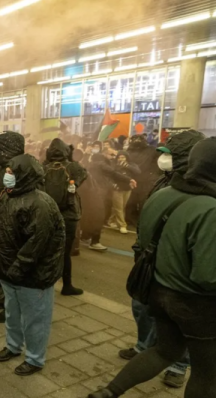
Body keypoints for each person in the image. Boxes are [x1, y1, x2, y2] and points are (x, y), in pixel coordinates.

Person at [89, 137, 216, 398]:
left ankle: (109, 392)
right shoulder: (211, 209)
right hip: (197, 306)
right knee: (206, 374)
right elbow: (207, 276)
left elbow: (144, 242)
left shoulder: (162, 194)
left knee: (163, 351)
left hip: (158, 292)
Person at [117, 129, 205, 389]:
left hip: (180, 271)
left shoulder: (202, 190)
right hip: (151, 264)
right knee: (142, 309)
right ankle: (145, 347)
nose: (162, 158)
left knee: (183, 323)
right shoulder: (164, 181)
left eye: (169, 154)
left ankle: (179, 365)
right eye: (163, 153)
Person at [0, 154, 65, 376]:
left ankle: (35, 358)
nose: (6, 175)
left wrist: (19, 266)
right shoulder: (9, 196)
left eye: (11, 172)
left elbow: (37, 242)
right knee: (12, 314)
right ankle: (13, 346)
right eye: (7, 171)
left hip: (33, 275)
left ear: (24, 175)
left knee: (36, 320)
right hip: (10, 272)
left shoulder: (40, 203)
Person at [0, 131, 26, 323]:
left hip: (13, 225)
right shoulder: (3, 166)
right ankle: (5, 299)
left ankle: (12, 308)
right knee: (1, 261)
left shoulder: (20, 168)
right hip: (0, 220)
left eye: (0, 148)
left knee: (11, 265)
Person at [43, 138, 86, 295]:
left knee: (47, 249)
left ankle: (45, 283)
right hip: (68, 214)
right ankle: (67, 285)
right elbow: (83, 177)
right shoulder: (73, 167)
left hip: (48, 212)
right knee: (65, 252)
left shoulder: (43, 166)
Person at [82, 147, 136, 251]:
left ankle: (85, 236)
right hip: (98, 193)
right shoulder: (102, 164)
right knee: (99, 217)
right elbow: (113, 174)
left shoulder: (92, 164)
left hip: (92, 193)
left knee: (89, 216)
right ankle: (95, 242)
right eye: (111, 155)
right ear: (105, 155)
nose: (114, 157)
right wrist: (129, 179)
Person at [126, 134, 161, 226]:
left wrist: (153, 174)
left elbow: (156, 163)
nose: (137, 141)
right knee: (133, 202)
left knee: (141, 202)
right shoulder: (130, 150)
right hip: (136, 179)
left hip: (143, 180)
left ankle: (137, 220)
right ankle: (133, 220)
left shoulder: (150, 150)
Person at [107, 151, 140, 234]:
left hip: (127, 189)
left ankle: (111, 221)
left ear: (126, 158)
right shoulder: (114, 165)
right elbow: (110, 175)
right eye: (119, 157)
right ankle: (122, 225)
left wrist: (128, 166)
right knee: (119, 208)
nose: (121, 159)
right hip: (117, 189)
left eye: (123, 157)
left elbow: (138, 172)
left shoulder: (131, 164)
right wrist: (113, 184)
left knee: (121, 206)